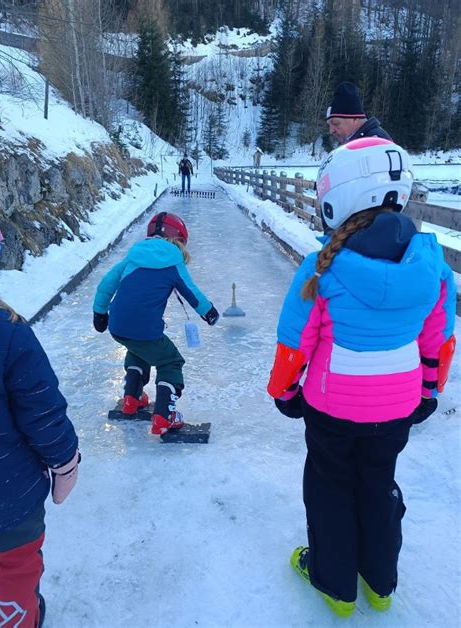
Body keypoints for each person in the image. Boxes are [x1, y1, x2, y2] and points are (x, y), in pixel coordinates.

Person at [267, 137, 456, 618]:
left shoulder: (321, 268)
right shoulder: (433, 268)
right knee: (378, 484)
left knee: (329, 488)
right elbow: (439, 340)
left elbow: (295, 341)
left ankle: (336, 585)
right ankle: (380, 581)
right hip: (396, 410)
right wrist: (429, 391)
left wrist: (286, 392)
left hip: (331, 411)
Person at [0, 288, 80, 628]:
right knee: (14, 568)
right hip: (9, 499)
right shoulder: (4, 333)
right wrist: (66, 465)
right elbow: (43, 414)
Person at [92, 211, 219, 434]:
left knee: (138, 350)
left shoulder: (133, 257)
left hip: (118, 326)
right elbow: (191, 291)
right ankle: (164, 415)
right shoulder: (173, 263)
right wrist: (208, 311)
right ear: (179, 240)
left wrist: (100, 313)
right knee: (170, 361)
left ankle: (133, 398)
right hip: (146, 329)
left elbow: (106, 284)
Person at [326, 81, 392, 145]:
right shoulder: (357, 140)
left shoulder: (375, 142)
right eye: (329, 125)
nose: (331, 131)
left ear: (355, 120)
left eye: (336, 123)